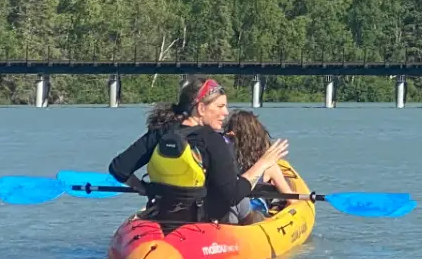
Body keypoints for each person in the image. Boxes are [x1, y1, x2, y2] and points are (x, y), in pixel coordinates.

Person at [108, 78, 289, 226]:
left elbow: (118, 168)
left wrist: (145, 189)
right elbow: (233, 196)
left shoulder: (161, 131)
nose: (226, 112)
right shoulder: (213, 140)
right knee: (251, 214)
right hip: (200, 224)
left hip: (161, 215)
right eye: (220, 106)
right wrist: (262, 164)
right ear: (201, 108)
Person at [223, 109, 293, 223]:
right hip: (254, 214)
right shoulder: (268, 166)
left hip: (231, 211)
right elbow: (291, 199)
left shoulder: (224, 160)